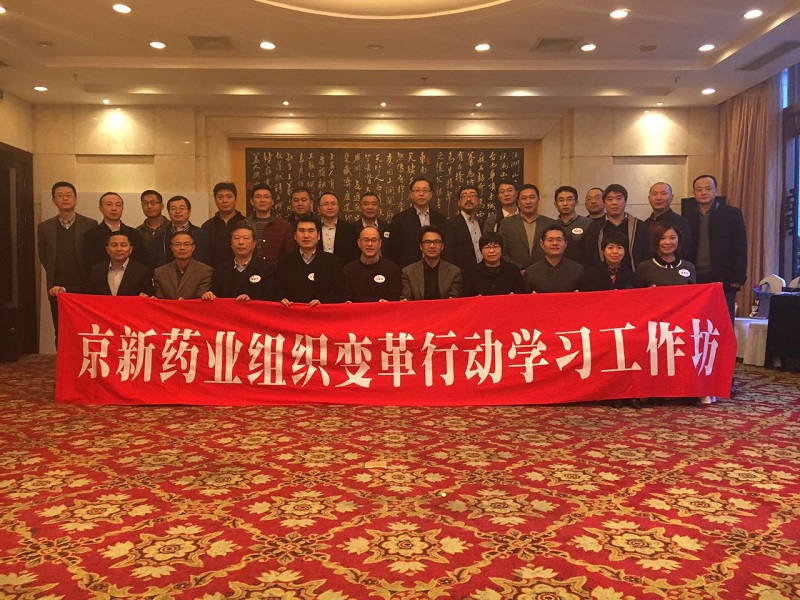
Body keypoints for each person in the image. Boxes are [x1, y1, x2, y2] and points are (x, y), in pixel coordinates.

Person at [38, 181, 97, 343]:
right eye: (60, 196)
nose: (65, 199)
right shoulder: (45, 227)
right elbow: (44, 256)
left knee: (85, 329)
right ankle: (63, 359)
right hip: (57, 287)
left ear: (76, 199)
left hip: (84, 285)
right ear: (53, 200)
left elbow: (93, 255)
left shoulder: (90, 224)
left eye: (69, 195)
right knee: (61, 329)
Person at [686, 174, 747, 322]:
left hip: (724, 278)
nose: (704, 192)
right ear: (694, 193)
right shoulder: (687, 218)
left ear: (716, 191)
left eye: (708, 188)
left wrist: (738, 277)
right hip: (695, 278)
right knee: (698, 321)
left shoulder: (732, 214)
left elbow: (740, 246)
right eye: (699, 190)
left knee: (723, 321)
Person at [275, 215, 344, 306]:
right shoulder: (285, 262)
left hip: (321, 313)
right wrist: (282, 299)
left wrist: (322, 302)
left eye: (310, 231)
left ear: (318, 236)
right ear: (295, 236)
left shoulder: (332, 262)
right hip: (292, 312)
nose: (306, 235)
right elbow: (278, 289)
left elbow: (337, 291)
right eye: (301, 231)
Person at [582, 183, 648, 271]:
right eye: (610, 199)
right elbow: (589, 258)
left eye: (619, 198)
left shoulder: (639, 226)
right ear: (604, 202)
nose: (614, 203)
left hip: (634, 276)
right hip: (602, 277)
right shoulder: (595, 228)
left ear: (625, 201)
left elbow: (646, 255)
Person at [203, 225, 276, 302]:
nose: (241, 242)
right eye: (236, 238)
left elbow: (269, 299)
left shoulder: (266, 269)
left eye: (246, 238)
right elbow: (216, 294)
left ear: (254, 244)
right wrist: (210, 295)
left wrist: (250, 300)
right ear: (231, 243)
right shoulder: (221, 269)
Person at [386, 176, 446, 269]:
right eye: (417, 190)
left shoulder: (441, 219)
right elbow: (393, 250)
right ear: (411, 194)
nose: (421, 194)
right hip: (408, 271)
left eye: (425, 190)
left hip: (437, 269)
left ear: (431, 194)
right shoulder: (399, 219)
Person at [498, 183, 556, 271]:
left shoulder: (550, 224)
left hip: (545, 272)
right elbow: (502, 251)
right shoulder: (507, 224)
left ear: (538, 200)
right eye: (524, 198)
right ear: (518, 202)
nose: (528, 202)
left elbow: (555, 250)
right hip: (516, 273)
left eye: (532, 197)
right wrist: (519, 268)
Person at [82, 192, 147, 270]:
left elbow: (140, 261)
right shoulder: (91, 235)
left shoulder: (134, 234)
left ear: (122, 209)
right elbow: (89, 264)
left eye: (118, 205)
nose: (114, 208)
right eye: (109, 204)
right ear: (100, 208)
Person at [400, 225, 462, 300]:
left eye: (436, 242)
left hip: (444, 307)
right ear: (421, 246)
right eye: (427, 242)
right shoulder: (408, 272)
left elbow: (454, 299)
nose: (432, 246)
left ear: (442, 246)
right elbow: (406, 298)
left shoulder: (454, 272)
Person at [343, 225, 402, 302]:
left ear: (380, 243)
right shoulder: (348, 270)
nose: (370, 244)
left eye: (374, 240)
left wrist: (388, 302)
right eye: (366, 240)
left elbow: (394, 297)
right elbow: (345, 298)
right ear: (359, 243)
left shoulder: (392, 269)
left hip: (382, 309)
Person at [443, 185, 483, 293]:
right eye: (464, 196)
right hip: (462, 278)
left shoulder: (483, 224)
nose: (468, 199)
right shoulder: (450, 225)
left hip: (483, 276)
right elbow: (448, 255)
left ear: (479, 201)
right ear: (458, 202)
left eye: (473, 195)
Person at [523, 224, 584, 293]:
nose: (555, 243)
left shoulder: (578, 270)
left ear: (565, 244)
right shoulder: (531, 272)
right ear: (542, 244)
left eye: (559, 240)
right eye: (550, 240)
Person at [88, 231, 153, 296]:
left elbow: (149, 295)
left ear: (130, 249)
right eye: (114, 245)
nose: (119, 249)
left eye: (123, 245)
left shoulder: (142, 271)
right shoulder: (97, 270)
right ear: (107, 250)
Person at [244, 183, 294, 266]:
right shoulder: (243, 225)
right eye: (258, 197)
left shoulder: (284, 226)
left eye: (266, 197)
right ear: (251, 201)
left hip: (276, 271)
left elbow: (289, 255)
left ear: (272, 201)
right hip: (249, 270)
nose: (262, 200)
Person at [153, 196, 211, 266]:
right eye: (173, 209)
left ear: (189, 212)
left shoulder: (201, 234)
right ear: (168, 212)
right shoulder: (160, 234)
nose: (177, 211)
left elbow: (207, 261)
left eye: (181, 208)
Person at [153, 232, 213, 299]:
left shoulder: (205, 271)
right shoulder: (159, 272)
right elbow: (159, 299)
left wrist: (184, 303)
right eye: (177, 244)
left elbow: (202, 298)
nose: (182, 248)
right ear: (172, 248)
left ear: (193, 248)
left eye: (186, 244)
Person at [642, 182, 692, 259]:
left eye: (663, 193)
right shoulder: (644, 224)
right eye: (654, 194)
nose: (658, 198)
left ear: (671, 198)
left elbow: (685, 251)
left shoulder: (681, 222)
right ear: (649, 199)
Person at [202, 182, 246, 266]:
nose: (225, 201)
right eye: (220, 197)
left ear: (235, 199)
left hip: (241, 269)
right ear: (215, 200)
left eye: (229, 197)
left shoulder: (246, 223)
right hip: (214, 270)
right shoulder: (207, 226)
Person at [317, 191, 359, 265]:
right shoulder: (312, 227)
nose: (330, 207)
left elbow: (354, 254)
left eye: (333, 204)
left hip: (343, 268)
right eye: (326, 204)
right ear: (318, 208)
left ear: (338, 207)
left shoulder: (349, 229)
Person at [554, 185, 592, 263]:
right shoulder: (551, 226)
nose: (565, 203)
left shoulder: (588, 224)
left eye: (569, 199)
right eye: (561, 200)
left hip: (581, 268)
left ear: (576, 203)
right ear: (555, 204)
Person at [135, 189, 169, 264]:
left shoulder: (171, 228)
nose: (149, 206)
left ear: (162, 206)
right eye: (145, 203)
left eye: (153, 203)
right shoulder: (137, 232)